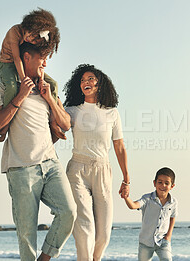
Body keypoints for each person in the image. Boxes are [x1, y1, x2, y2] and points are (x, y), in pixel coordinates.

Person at [0, 42, 76, 261]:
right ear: (26, 57)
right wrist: (20, 95)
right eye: (42, 57)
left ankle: (44, 259)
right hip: (20, 169)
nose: (46, 62)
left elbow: (66, 123)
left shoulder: (48, 87)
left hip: (50, 163)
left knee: (68, 213)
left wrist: (50, 99)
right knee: (27, 236)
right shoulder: (3, 86)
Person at [62, 64, 130, 261]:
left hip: (103, 170)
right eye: (82, 80)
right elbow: (57, 129)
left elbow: (119, 147)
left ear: (100, 84)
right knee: (84, 228)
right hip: (77, 169)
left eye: (90, 79)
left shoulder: (112, 113)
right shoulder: (72, 111)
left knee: (103, 235)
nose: (86, 83)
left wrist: (126, 178)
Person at [0, 8, 60, 142]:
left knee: (53, 84)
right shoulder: (15, 32)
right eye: (32, 36)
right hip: (8, 63)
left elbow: (35, 62)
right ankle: (6, 124)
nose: (30, 40)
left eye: (35, 41)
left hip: (21, 64)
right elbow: (17, 58)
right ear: (30, 26)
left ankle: (53, 121)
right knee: (13, 87)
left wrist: (41, 79)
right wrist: (24, 79)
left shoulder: (32, 39)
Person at [124, 167, 178, 261]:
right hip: (146, 242)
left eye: (166, 183)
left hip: (163, 242)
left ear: (172, 186)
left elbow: (172, 217)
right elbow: (133, 205)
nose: (163, 185)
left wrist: (169, 235)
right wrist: (126, 197)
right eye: (160, 182)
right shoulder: (147, 199)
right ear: (154, 183)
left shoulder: (173, 202)